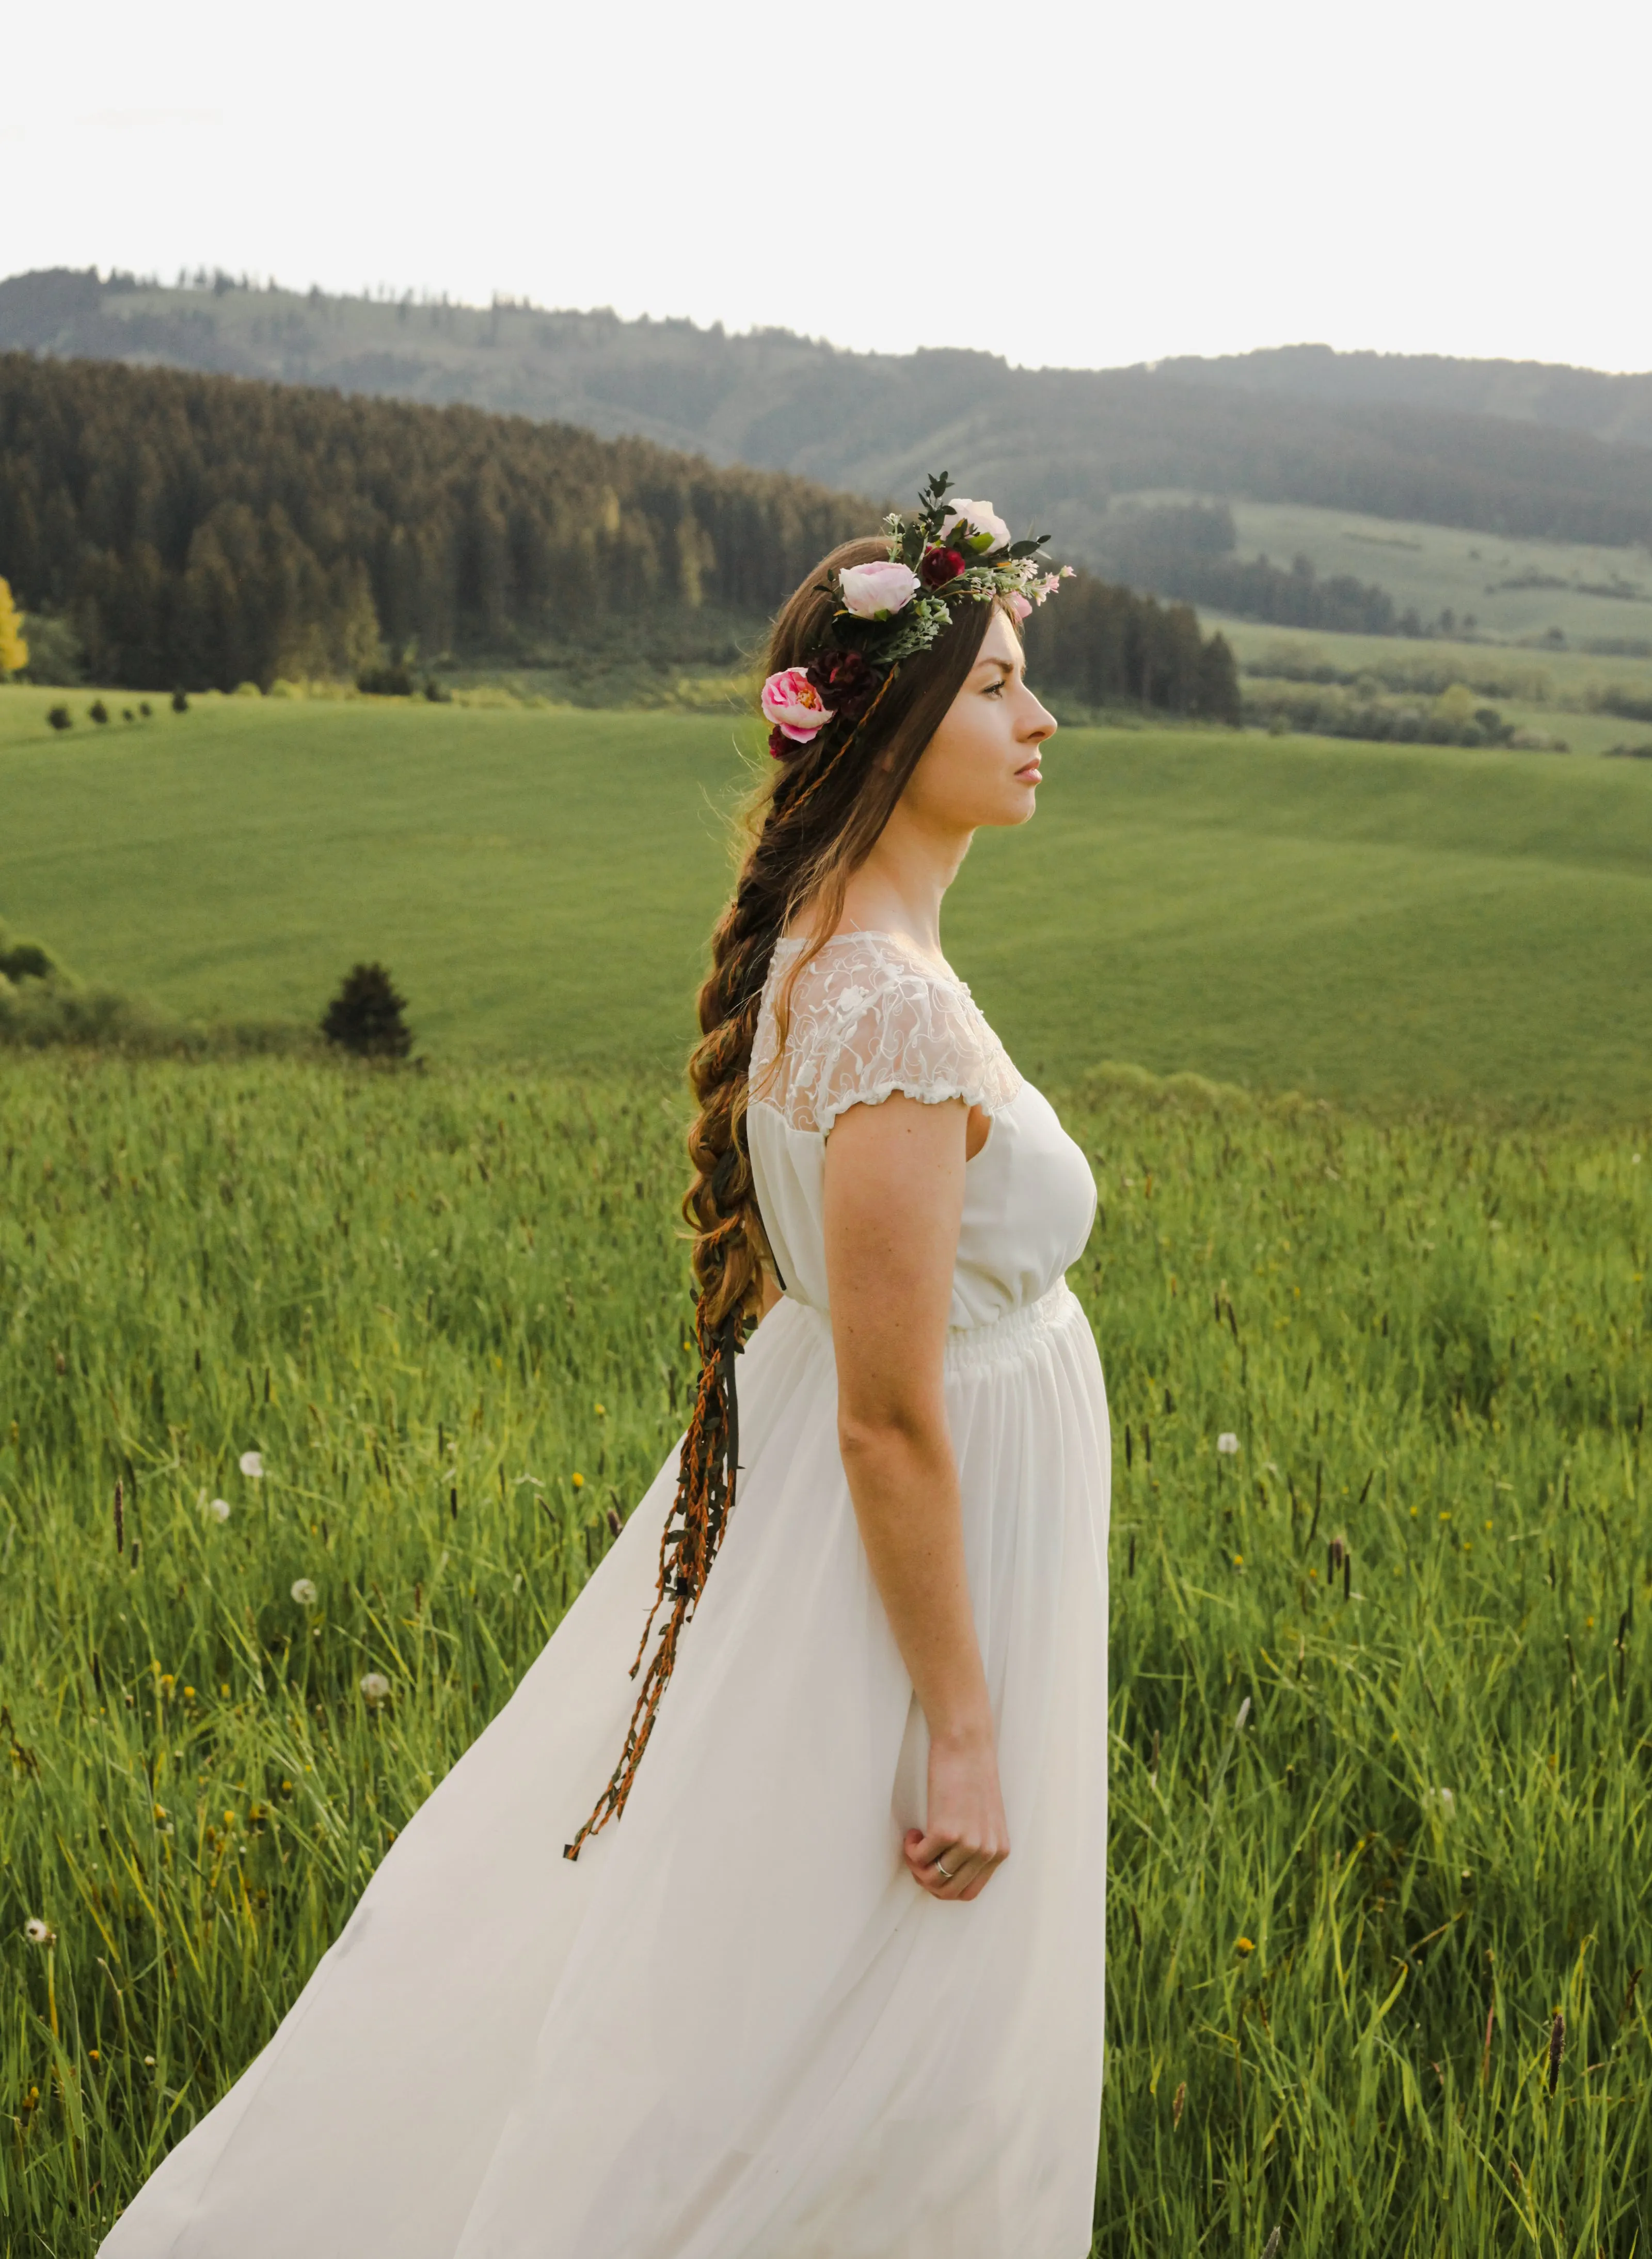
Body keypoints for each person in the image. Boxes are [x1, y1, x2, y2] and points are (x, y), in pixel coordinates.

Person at [101, 481, 1111, 2259]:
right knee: (863, 2044)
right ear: (881, 722)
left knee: (805, 2002)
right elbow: (886, 1414)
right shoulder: (887, 1004)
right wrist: (962, 1726)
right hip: (904, 1584)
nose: (1040, 720)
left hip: (881, 1554)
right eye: (996, 685)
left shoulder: (858, 954)